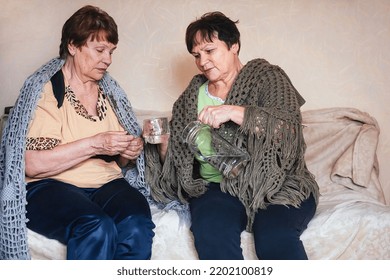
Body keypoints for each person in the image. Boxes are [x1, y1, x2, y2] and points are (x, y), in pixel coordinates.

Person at [145, 11, 319, 260]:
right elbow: (177, 163)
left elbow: (288, 131)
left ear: (234, 45)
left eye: (209, 50)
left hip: (277, 183)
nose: (202, 61)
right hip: (217, 186)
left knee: (274, 237)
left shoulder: (268, 78)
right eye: (196, 55)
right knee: (212, 232)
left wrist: (234, 112)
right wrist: (163, 145)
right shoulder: (190, 97)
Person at [0, 5, 155, 260]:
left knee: (136, 224)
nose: (108, 59)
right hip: (50, 185)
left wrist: (129, 151)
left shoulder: (111, 93)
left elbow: (119, 160)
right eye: (99, 50)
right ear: (73, 45)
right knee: (95, 226)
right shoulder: (45, 91)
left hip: (105, 182)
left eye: (111, 51)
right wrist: (95, 144)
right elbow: (33, 165)